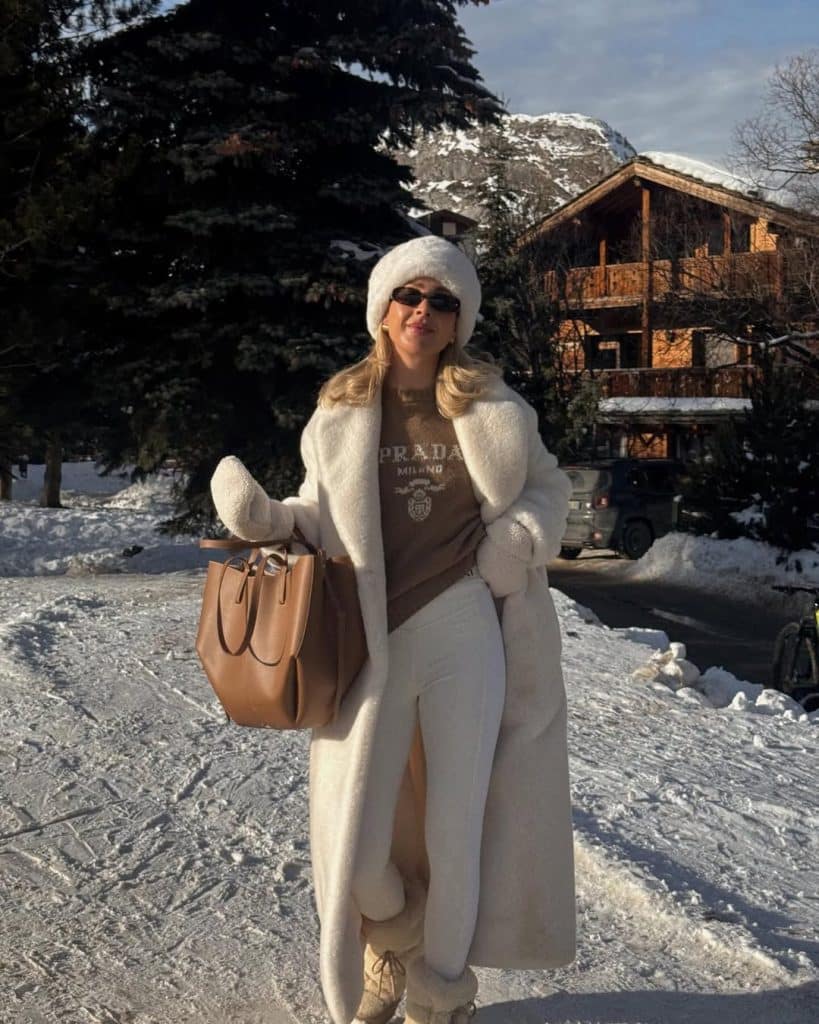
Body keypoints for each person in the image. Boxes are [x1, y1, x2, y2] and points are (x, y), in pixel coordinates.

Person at [210, 235, 575, 1024]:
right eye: (410, 296)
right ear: (383, 308)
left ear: (458, 321)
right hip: (363, 637)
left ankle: (440, 993)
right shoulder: (338, 413)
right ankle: (394, 937)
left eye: (442, 301)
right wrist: (267, 520)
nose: (423, 312)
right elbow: (318, 514)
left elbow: (546, 491)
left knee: (455, 823)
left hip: (463, 624)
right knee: (360, 837)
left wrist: (515, 543)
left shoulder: (494, 408)